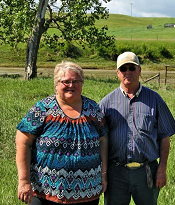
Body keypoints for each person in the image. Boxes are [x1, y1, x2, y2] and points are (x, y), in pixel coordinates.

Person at [16, 61, 108, 205]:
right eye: (66, 81)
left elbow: (103, 140)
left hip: (87, 191)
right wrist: (24, 181)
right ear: (56, 84)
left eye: (76, 81)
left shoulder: (93, 109)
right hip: (45, 192)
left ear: (82, 83)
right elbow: (23, 142)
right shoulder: (43, 109)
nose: (71, 85)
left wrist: (103, 175)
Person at [99, 52, 175, 205]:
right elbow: (101, 139)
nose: (128, 72)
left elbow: (164, 136)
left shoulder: (155, 99)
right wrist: (103, 173)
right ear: (117, 73)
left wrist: (162, 169)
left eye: (132, 68)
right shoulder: (106, 103)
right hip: (116, 172)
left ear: (140, 70)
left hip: (146, 171)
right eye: (123, 69)